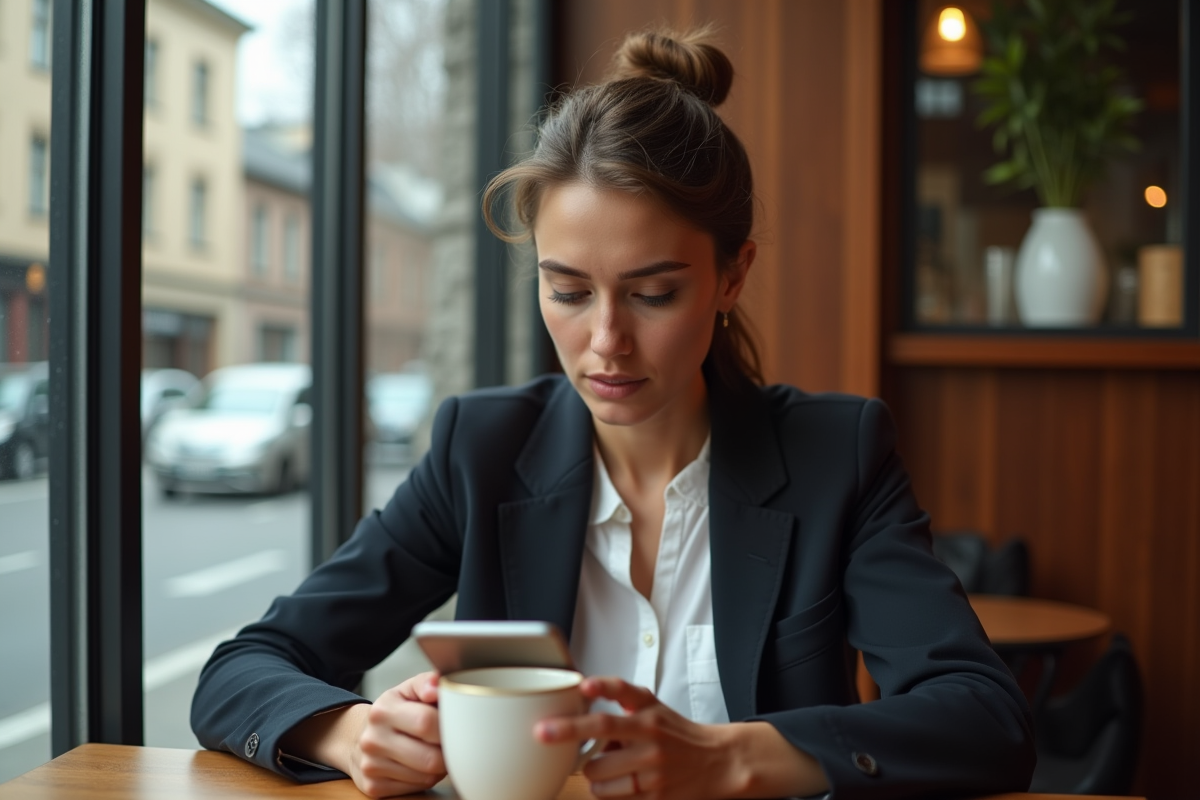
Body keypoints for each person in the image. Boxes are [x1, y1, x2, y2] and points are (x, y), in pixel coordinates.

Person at [192, 27, 1035, 800]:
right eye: (567, 291)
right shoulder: (481, 450)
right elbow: (245, 670)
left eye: (653, 294)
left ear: (731, 278)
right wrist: (351, 731)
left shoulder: (834, 457)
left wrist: (731, 756)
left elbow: (983, 719)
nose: (605, 342)